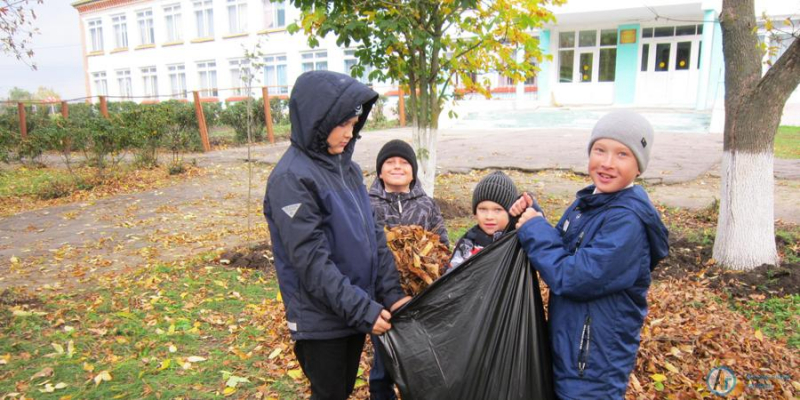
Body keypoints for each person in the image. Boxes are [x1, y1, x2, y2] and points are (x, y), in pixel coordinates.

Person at [263, 70, 410, 400]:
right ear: (317, 120)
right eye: (341, 124)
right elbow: (311, 263)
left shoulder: (346, 167)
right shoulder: (291, 179)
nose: (350, 132)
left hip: (352, 310)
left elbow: (374, 236)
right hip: (322, 320)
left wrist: (390, 293)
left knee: (340, 391)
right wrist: (363, 310)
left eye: (353, 122)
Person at [510, 109, 670, 399]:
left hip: (593, 365)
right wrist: (536, 217)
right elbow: (563, 247)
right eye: (600, 150)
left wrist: (534, 229)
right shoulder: (590, 203)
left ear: (639, 166)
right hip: (570, 349)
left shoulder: (627, 221)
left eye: (622, 154)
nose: (607, 163)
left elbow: (573, 276)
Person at [367, 139, 449, 400]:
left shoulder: (426, 205)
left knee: (421, 364)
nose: (397, 167)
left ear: (413, 171)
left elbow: (443, 245)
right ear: (379, 171)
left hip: (419, 300)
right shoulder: (367, 204)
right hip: (382, 301)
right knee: (382, 366)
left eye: (404, 163)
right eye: (390, 162)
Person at [449, 171, 537, 269]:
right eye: (483, 209)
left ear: (511, 212)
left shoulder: (520, 241)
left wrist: (532, 208)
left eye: (498, 210)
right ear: (475, 212)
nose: (489, 216)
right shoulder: (467, 245)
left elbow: (543, 248)